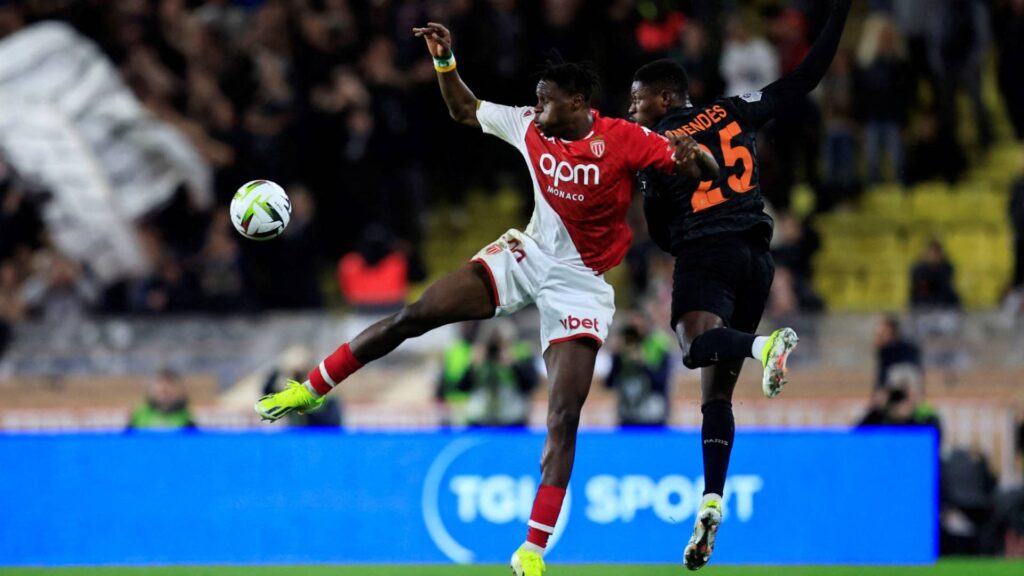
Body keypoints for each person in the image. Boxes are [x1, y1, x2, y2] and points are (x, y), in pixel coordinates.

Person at [255, 21, 717, 576]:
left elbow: (696, 167)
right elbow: (465, 110)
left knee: (563, 415)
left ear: (576, 102)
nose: (535, 108)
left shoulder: (625, 139)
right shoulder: (528, 125)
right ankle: (311, 389)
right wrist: (446, 63)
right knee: (414, 315)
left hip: (582, 284)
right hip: (525, 256)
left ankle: (532, 550)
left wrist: (699, 159)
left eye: (545, 101)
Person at [628, 0, 850, 568]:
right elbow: (803, 79)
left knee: (693, 346)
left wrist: (664, 208)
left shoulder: (659, 144)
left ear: (666, 99)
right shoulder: (732, 110)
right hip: (758, 254)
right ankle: (711, 499)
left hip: (708, 251)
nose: (633, 111)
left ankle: (763, 346)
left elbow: (658, 232)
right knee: (716, 396)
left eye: (638, 100)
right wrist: (837, 14)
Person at [604, 313, 673, 427]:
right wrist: (616, 357)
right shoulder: (622, 351)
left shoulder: (658, 345)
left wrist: (643, 363)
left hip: (653, 415)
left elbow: (661, 381)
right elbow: (609, 383)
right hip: (627, 415)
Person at [127, 368, 196, 430]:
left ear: (180, 390)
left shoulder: (186, 418)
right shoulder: (139, 416)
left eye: (170, 384)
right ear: (151, 389)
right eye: (160, 383)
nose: (164, 389)